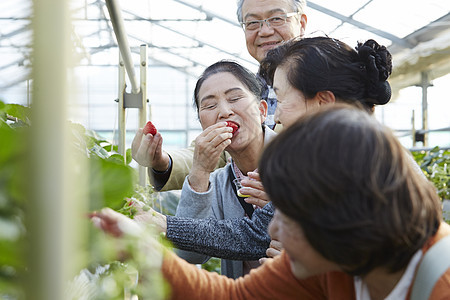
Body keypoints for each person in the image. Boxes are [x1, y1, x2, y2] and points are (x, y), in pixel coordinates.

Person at [93, 104, 450, 299]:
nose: (272, 228)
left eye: (285, 213)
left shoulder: (440, 282)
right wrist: (144, 248)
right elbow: (237, 297)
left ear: (337, 214)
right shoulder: (332, 262)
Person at [136, 36, 395, 263]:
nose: (278, 116)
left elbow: (253, 236)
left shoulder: (354, 163)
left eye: (280, 100)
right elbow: (253, 235)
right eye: (209, 105)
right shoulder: (318, 160)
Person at [132, 0, 307, 192]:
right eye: (252, 23)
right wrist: (162, 161)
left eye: (276, 18)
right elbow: (213, 152)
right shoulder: (248, 88)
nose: (264, 31)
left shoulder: (326, 82)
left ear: (302, 23)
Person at [171, 60, 277, 278]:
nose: (224, 112)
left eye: (235, 98)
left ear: (262, 110)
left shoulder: (301, 161)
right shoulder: (218, 182)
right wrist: (199, 171)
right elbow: (190, 254)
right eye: (210, 106)